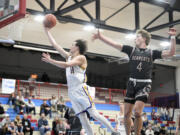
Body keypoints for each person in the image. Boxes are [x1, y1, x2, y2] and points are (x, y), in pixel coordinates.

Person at [92, 28, 176, 135]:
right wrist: (100, 37)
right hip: (132, 83)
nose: (135, 38)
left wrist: (173, 37)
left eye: (138, 36)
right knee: (126, 114)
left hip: (144, 84)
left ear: (144, 38)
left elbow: (171, 52)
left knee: (137, 112)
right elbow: (114, 44)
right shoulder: (130, 50)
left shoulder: (152, 53)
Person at [42, 26, 120, 135]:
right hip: (72, 91)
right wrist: (47, 31)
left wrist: (51, 61)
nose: (70, 46)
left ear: (77, 47)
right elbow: (55, 45)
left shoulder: (81, 58)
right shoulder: (69, 56)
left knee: (93, 113)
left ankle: (113, 131)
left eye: (73, 44)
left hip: (80, 89)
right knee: (83, 118)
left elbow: (66, 65)